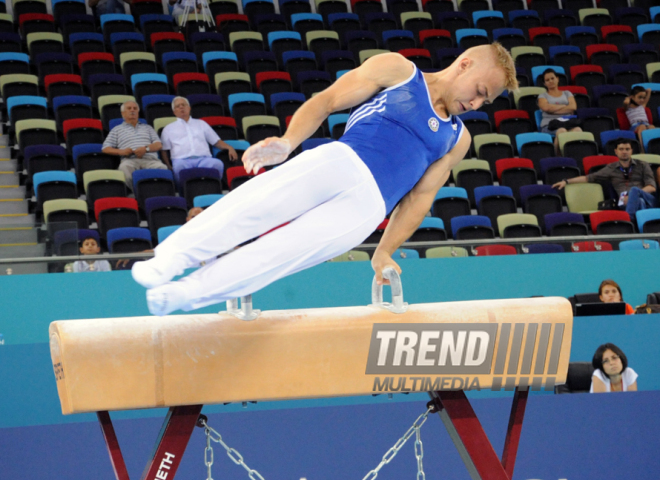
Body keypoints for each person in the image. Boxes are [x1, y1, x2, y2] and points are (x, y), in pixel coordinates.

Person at [131, 44, 518, 316]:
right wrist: (287, 142)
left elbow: (419, 199)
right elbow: (328, 100)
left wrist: (384, 250)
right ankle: (169, 259)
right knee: (253, 207)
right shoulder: (400, 71)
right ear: (465, 64)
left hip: (367, 210)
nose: (477, 104)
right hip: (341, 161)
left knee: (280, 254)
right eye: (480, 92)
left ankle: (185, 293)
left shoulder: (457, 138)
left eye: (487, 102)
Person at [552, 138, 657, 218]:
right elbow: (588, 178)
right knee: (639, 202)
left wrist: (632, 196)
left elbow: (652, 187)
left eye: (627, 149)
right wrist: (566, 181)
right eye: (621, 149)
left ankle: (629, 220)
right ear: (616, 151)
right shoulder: (611, 168)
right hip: (623, 202)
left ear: (631, 151)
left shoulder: (642, 165)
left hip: (647, 198)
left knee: (636, 193)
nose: (624, 151)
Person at [160, 97, 237, 184]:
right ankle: (184, 193)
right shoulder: (168, 128)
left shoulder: (201, 123)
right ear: (174, 112)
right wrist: (168, 165)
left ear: (189, 108)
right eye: (178, 106)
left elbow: (216, 141)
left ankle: (214, 188)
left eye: (184, 105)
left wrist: (229, 147)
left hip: (204, 160)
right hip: (182, 161)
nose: (181, 107)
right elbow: (164, 150)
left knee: (217, 164)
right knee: (178, 168)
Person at [102, 101, 169, 189]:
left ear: (138, 112)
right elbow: (105, 148)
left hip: (150, 160)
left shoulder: (148, 128)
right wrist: (121, 151)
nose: (132, 110)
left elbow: (158, 145)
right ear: (123, 113)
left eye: (135, 108)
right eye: (129, 108)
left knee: (162, 168)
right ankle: (138, 194)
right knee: (124, 168)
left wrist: (146, 149)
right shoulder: (116, 130)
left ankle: (154, 191)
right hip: (129, 160)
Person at [536, 68, 582, 153]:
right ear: (544, 83)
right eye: (547, 80)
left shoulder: (567, 93)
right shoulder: (542, 96)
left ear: (557, 79)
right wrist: (564, 106)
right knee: (562, 131)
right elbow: (546, 108)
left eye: (552, 78)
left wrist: (553, 109)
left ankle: (575, 154)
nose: (550, 81)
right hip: (549, 125)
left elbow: (573, 107)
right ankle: (557, 155)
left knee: (578, 130)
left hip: (567, 123)